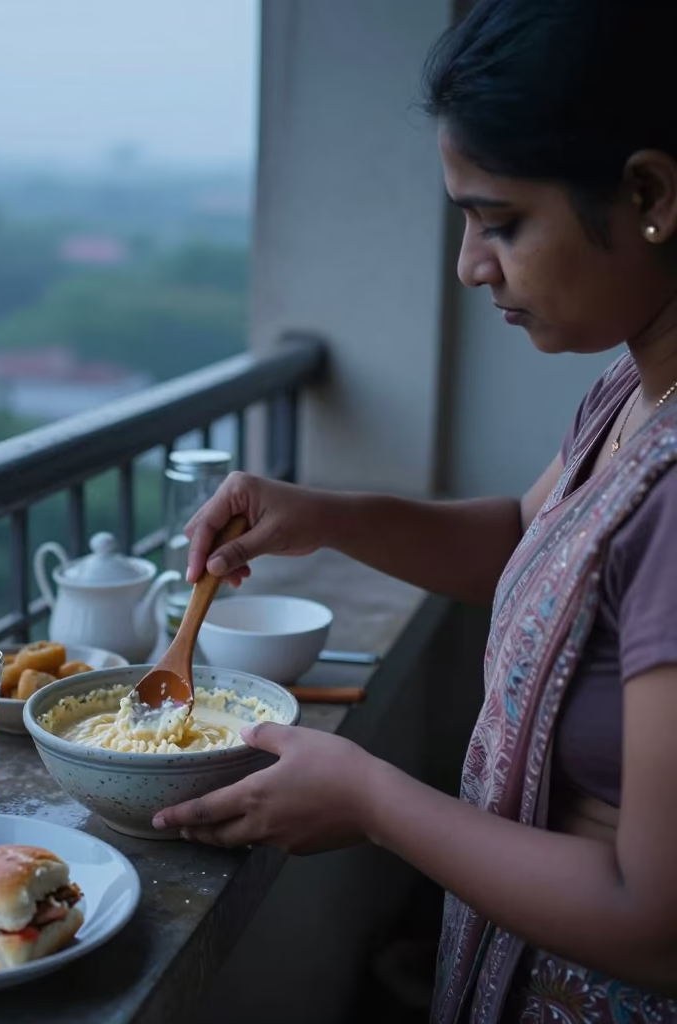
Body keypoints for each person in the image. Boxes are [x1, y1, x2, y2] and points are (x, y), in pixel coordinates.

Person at [150, 1, 677, 1021]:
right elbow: (536, 550)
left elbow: (656, 924)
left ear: (651, 193)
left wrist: (368, 798)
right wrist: (328, 514)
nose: (471, 266)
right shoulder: (635, 383)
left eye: (501, 222)